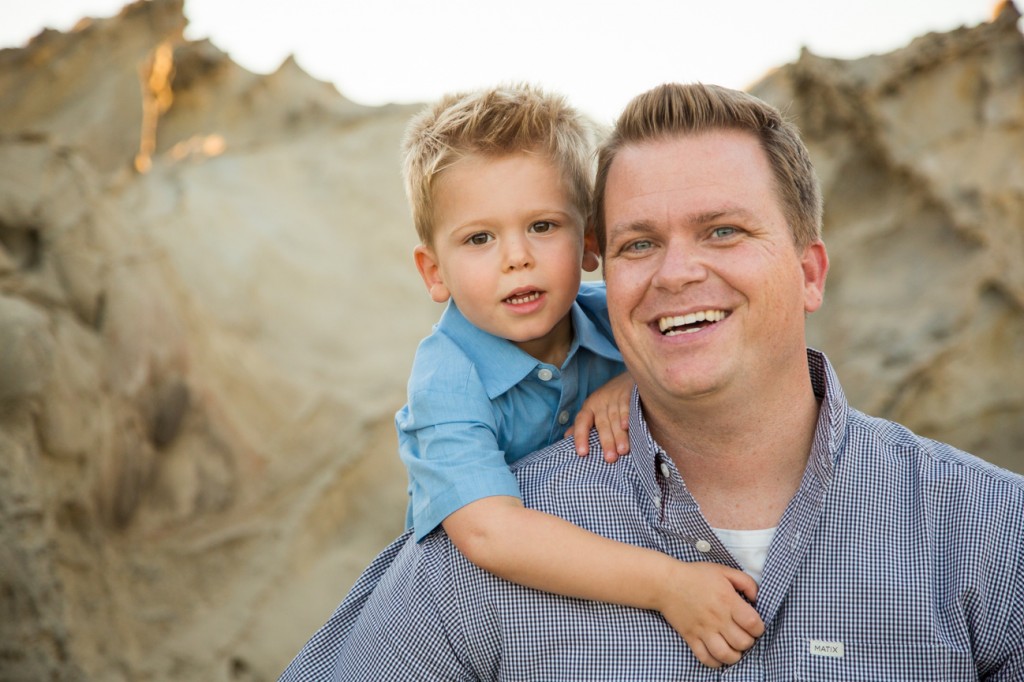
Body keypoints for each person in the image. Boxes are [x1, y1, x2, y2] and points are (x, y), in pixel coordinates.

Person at [280, 83, 1024, 681]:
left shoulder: (994, 535)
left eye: (722, 230)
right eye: (641, 243)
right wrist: (665, 582)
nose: (675, 274)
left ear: (808, 272)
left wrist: (620, 383)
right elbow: (486, 533)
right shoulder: (461, 563)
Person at [396, 83, 761, 665]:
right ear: (433, 271)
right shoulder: (447, 377)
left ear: (589, 241)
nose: (516, 256)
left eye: (542, 226)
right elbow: (490, 533)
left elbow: (738, 353)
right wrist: (667, 585)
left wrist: (637, 377)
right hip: (493, 611)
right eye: (480, 238)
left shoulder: (620, 319)